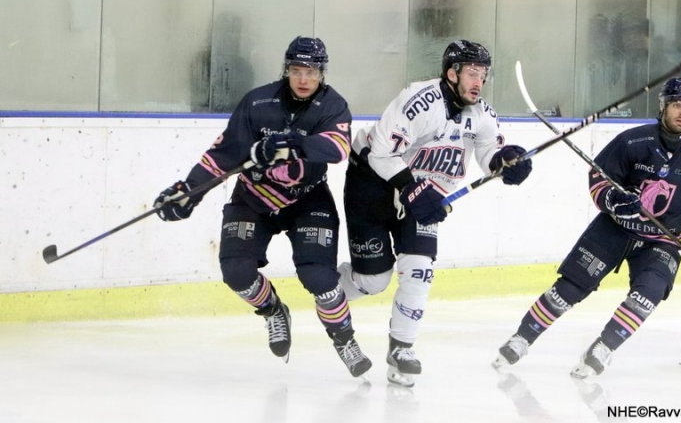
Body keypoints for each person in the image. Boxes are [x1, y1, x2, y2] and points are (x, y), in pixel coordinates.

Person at [153, 36, 372, 379]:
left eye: (311, 71)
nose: (303, 79)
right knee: (236, 273)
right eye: (296, 70)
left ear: (322, 73)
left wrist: (291, 144)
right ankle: (272, 311)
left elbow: (336, 148)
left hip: (307, 197)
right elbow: (223, 155)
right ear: (286, 70)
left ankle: (344, 339)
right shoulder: (257, 103)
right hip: (253, 197)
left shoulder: (333, 105)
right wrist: (189, 191)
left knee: (319, 277)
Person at [493, 77, 681, 378]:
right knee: (570, 288)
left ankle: (604, 347)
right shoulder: (634, 141)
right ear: (663, 107)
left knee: (648, 294)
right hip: (616, 227)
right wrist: (614, 200)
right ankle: (522, 338)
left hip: (662, 240)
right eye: (676, 105)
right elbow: (598, 179)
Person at [338, 40, 533, 387]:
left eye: (483, 75)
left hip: (421, 193)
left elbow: (490, 152)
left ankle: (401, 350)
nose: (478, 82)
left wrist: (505, 162)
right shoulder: (420, 101)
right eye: (472, 73)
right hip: (373, 182)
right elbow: (380, 153)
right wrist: (411, 188)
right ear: (451, 72)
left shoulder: (482, 114)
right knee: (373, 281)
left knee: (420, 270)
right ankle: (329, 288)